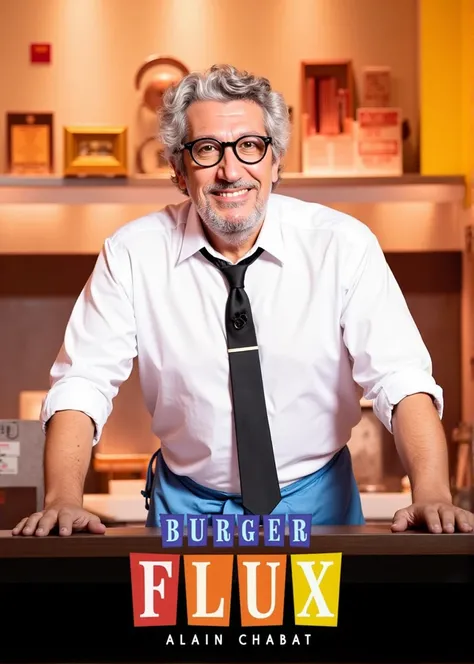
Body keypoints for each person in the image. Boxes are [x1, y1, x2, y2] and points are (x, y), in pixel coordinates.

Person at [13, 64, 474, 537]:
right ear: (177, 169)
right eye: (207, 149)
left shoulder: (343, 245)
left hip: (319, 510)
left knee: (320, 617)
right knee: (183, 618)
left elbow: (400, 379)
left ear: (276, 162)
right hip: (184, 516)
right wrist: (63, 500)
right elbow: (84, 382)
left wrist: (433, 493)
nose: (230, 171)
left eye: (249, 146)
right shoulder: (131, 254)